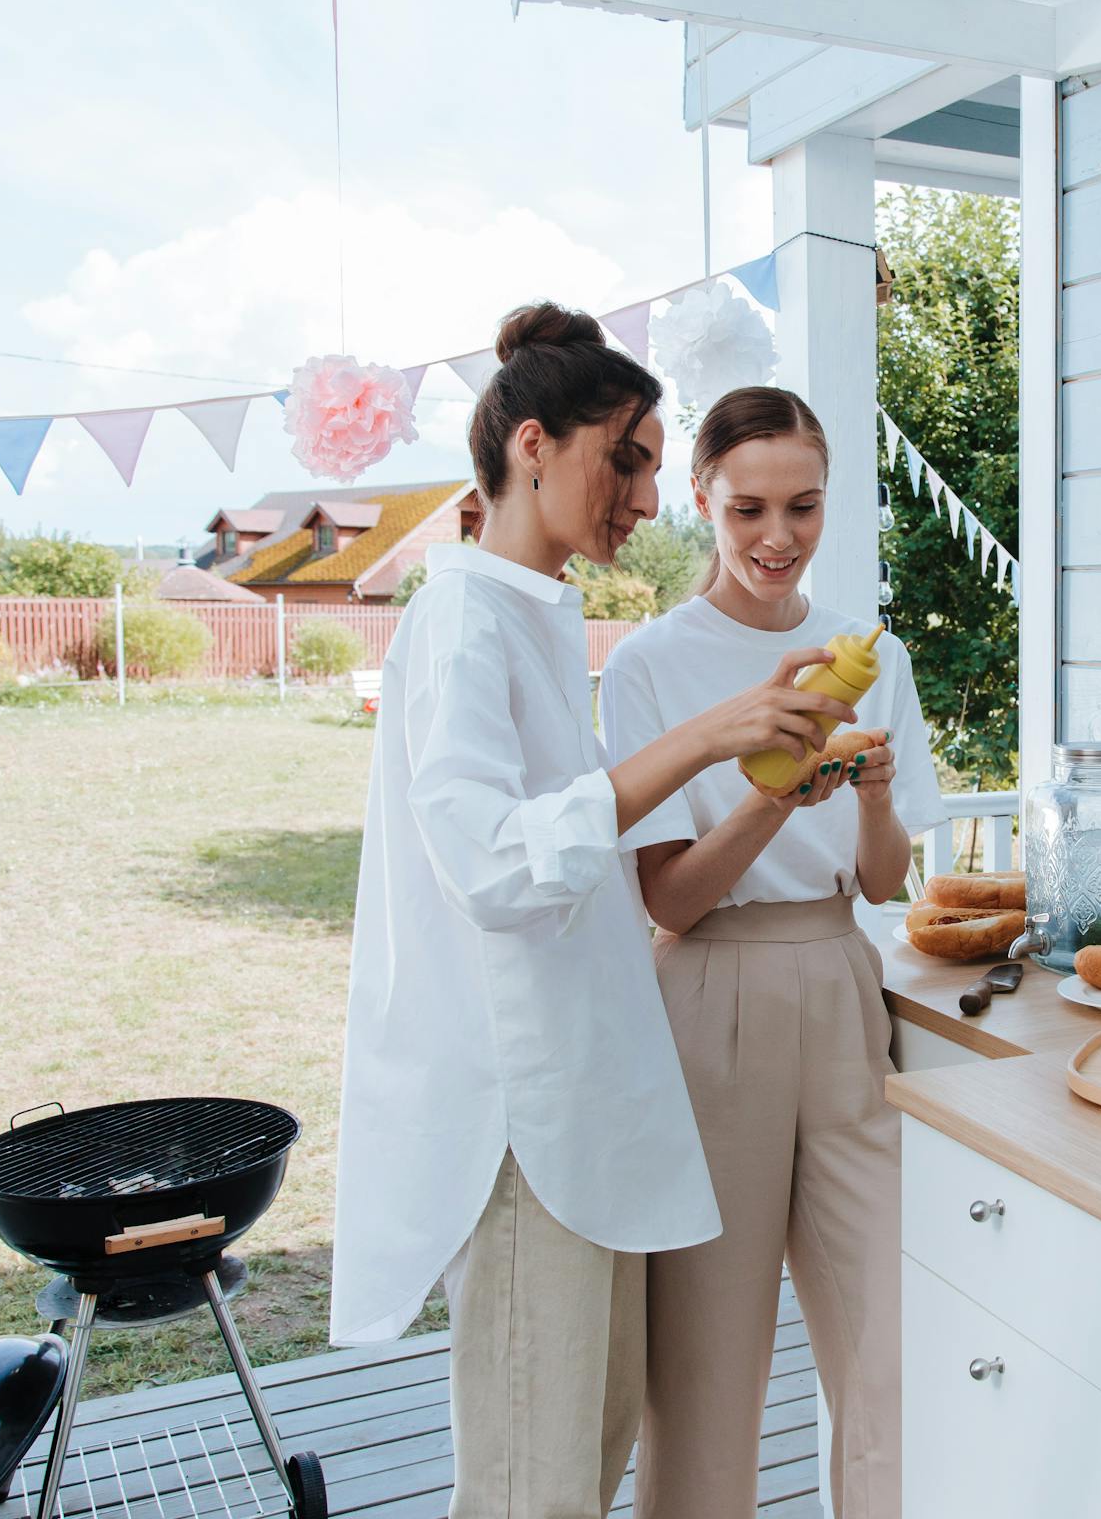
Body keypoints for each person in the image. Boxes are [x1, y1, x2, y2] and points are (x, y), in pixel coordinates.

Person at [329, 308, 857, 1519]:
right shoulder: (463, 617)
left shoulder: (532, 612)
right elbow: (492, 866)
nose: (645, 498)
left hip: (579, 1108)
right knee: (537, 1482)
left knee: (593, 1439)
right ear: (532, 445)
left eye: (655, 472)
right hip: (519, 1127)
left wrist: (754, 764)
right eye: (626, 460)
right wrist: (699, 740)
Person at [600, 386, 946, 1519]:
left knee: (894, 1346)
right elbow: (672, 902)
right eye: (748, 507)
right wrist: (770, 795)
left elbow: (888, 881)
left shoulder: (866, 651)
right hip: (709, 998)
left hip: (846, 986)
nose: (777, 536)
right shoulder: (650, 666)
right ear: (702, 496)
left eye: (803, 506)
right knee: (706, 1369)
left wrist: (875, 800)